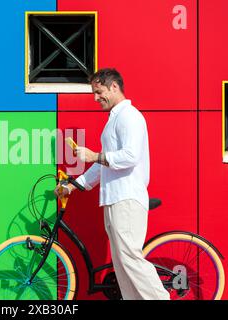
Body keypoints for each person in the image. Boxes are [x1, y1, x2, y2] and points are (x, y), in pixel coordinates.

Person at [55, 68, 170, 300]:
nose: (96, 98)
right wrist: (73, 186)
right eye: (94, 93)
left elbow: (129, 156)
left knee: (130, 259)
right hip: (115, 198)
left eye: (99, 92)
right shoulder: (115, 119)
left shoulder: (129, 116)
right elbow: (103, 165)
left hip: (126, 198)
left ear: (114, 87)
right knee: (122, 265)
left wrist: (95, 155)